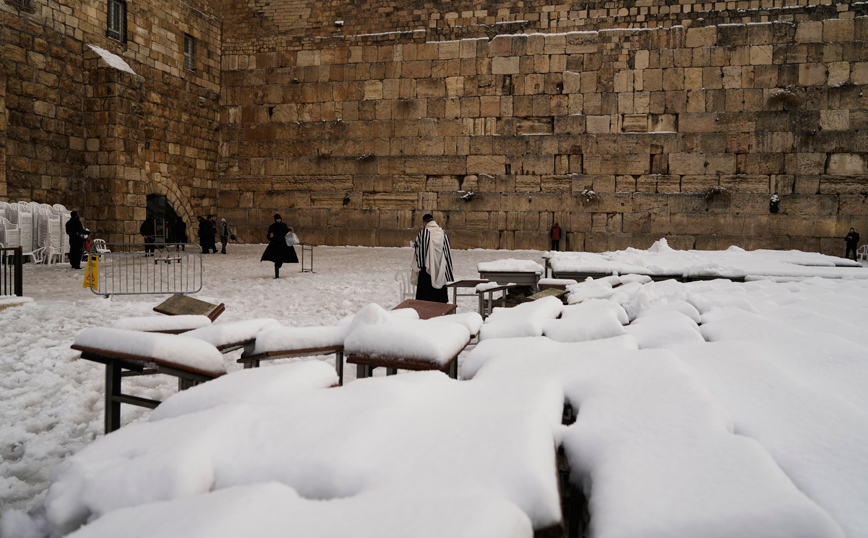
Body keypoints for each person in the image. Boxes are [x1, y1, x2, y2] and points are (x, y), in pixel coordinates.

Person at [412, 213, 454, 303]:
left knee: (425, 296)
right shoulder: (443, 232)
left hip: (427, 268)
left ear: (425, 222)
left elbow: (420, 250)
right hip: (440, 266)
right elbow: (446, 250)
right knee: (439, 295)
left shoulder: (424, 232)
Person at [260, 214, 298, 278]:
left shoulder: (284, 225)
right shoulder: (272, 226)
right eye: (277, 219)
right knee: (277, 260)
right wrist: (270, 236)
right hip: (275, 245)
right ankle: (277, 275)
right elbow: (268, 236)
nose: (279, 220)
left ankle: (279, 264)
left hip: (283, 245)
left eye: (279, 219)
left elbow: (287, 233)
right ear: (275, 219)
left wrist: (291, 232)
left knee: (282, 258)